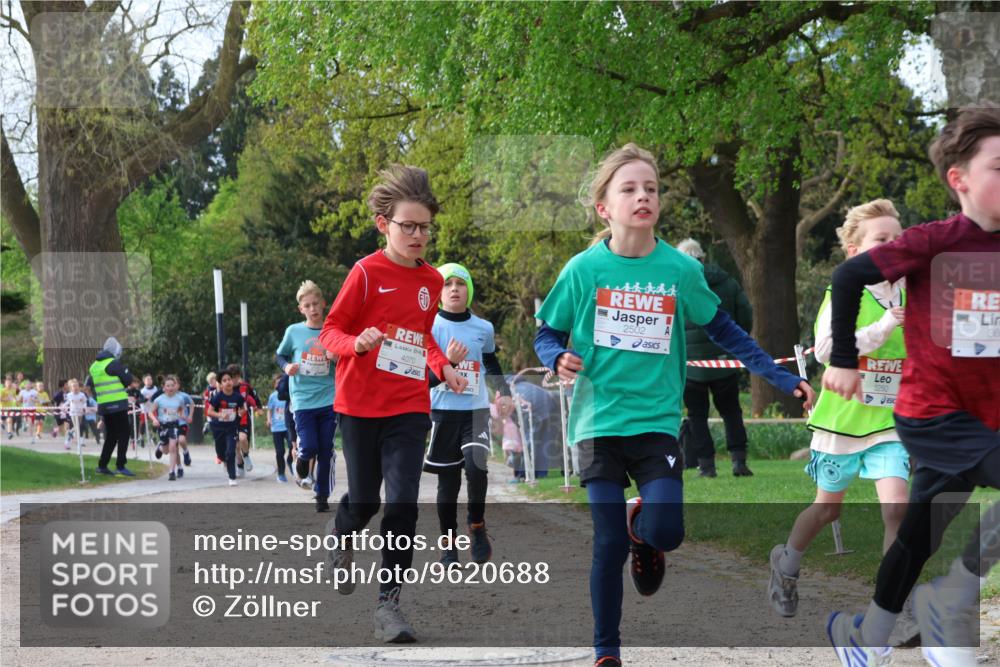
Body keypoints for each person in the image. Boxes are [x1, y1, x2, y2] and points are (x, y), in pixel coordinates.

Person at [532, 143, 814, 667]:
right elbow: (546, 332)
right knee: (606, 543)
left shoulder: (679, 270)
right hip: (597, 422)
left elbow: (724, 329)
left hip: (657, 423)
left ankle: (646, 532)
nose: (643, 196)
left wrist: (778, 375)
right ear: (604, 208)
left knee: (667, 532)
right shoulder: (583, 269)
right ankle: (606, 651)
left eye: (652, 188)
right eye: (630, 189)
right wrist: (557, 357)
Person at [824, 106, 1000, 667]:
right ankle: (953, 598)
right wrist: (847, 360)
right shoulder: (933, 242)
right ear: (960, 179)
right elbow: (848, 275)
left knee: (918, 535)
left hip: (989, 419)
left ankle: (867, 634)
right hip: (936, 416)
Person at [320, 164, 467, 643]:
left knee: (403, 503)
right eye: (409, 226)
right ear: (384, 224)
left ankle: (389, 605)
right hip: (360, 405)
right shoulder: (364, 273)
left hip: (408, 405)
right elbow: (329, 331)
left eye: (425, 227)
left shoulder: (430, 282)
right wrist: (356, 344)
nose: (419, 235)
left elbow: (421, 337)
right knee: (364, 500)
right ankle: (343, 534)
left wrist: (442, 365)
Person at [767, 200, 912, 637]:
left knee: (897, 511)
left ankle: (891, 609)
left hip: (890, 420)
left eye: (897, 238)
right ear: (854, 252)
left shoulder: (913, 287)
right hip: (842, 420)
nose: (892, 246)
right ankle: (786, 565)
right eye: (880, 240)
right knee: (827, 509)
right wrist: (884, 326)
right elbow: (828, 349)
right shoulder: (842, 292)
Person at [425, 262, 512, 566]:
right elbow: (421, 376)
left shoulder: (483, 328)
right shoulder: (430, 326)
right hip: (442, 412)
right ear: (439, 291)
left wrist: (504, 392)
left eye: (460, 284)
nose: (453, 289)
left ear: (469, 290)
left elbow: (491, 363)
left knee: (477, 469)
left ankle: (476, 525)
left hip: (475, 410)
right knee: (448, 484)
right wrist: (446, 363)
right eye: (447, 284)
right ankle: (448, 545)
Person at [675, 238, 754, 477]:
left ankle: (706, 465)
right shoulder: (726, 281)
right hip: (724, 360)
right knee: (731, 412)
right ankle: (739, 461)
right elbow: (745, 314)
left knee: (697, 416)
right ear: (702, 257)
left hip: (691, 366)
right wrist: (734, 344)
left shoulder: (676, 285)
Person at [276, 280, 337, 510]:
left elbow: (345, 361)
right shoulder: (294, 331)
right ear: (301, 309)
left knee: (325, 449)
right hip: (302, 399)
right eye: (307, 305)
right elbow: (279, 355)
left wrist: (336, 357)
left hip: (329, 398)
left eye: (315, 304)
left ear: (323, 304)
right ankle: (301, 461)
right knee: (309, 446)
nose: (312, 309)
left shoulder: (332, 330)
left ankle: (321, 495)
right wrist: (286, 367)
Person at [87, 336, 136, 476]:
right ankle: (120, 466)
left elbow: (91, 384)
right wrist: (126, 370)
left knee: (112, 435)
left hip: (103, 405)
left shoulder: (94, 366)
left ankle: (102, 466)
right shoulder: (113, 363)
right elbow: (127, 381)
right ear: (116, 351)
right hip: (118, 404)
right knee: (124, 433)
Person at [206, 368, 247, 486]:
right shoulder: (218, 397)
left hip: (232, 428)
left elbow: (243, 408)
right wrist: (220, 414)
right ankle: (221, 458)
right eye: (224, 380)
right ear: (221, 384)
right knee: (221, 452)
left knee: (231, 451)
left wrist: (239, 414)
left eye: (229, 379)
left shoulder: (238, 397)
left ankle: (232, 477)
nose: (228, 382)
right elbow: (209, 412)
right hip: (218, 427)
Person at [151, 375, 186, 481]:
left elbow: (181, 410)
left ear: (175, 386)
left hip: (174, 425)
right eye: (168, 386)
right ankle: (160, 448)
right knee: (166, 450)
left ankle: (172, 472)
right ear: (164, 388)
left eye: (172, 385)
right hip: (162, 426)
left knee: (173, 447)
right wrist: (154, 420)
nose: (170, 388)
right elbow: (150, 412)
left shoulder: (180, 399)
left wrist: (182, 416)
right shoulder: (159, 399)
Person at [227, 364, 260, 477]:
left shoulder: (245, 387)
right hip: (231, 420)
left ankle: (246, 455)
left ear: (239, 376)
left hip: (244, 419)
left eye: (235, 377)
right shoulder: (225, 389)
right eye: (231, 378)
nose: (233, 380)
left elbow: (255, 396)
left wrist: (258, 408)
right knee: (235, 446)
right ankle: (240, 465)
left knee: (243, 439)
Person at [266, 373, 291, 483]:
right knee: (280, 452)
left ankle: (290, 460)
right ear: (275, 385)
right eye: (278, 383)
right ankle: (281, 473)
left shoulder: (289, 394)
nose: (280, 385)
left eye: (282, 382)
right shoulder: (272, 396)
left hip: (288, 426)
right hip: (276, 428)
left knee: (292, 446)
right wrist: (269, 419)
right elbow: (270, 410)